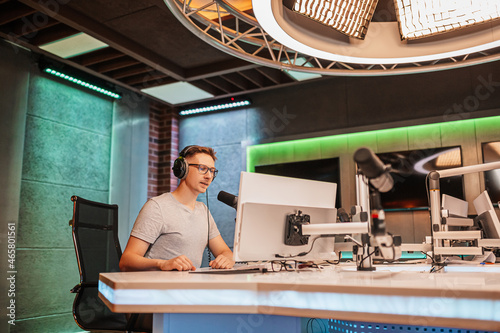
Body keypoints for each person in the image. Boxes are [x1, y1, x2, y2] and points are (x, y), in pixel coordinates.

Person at [119, 145, 235, 271]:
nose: (208, 176)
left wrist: (227, 258)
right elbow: (126, 261)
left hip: (188, 288)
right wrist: (162, 264)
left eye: (212, 171)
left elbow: (225, 251)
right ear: (182, 168)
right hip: (157, 288)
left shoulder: (203, 210)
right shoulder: (157, 207)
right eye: (202, 168)